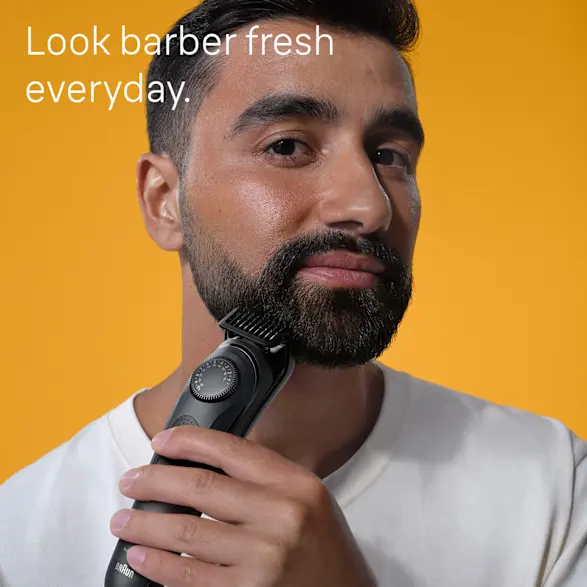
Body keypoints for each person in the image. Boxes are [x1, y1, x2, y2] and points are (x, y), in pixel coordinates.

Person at [1, 0, 585, 585]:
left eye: (389, 156)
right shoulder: (18, 534)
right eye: (287, 146)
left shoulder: (554, 487)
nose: (368, 205)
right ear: (164, 200)